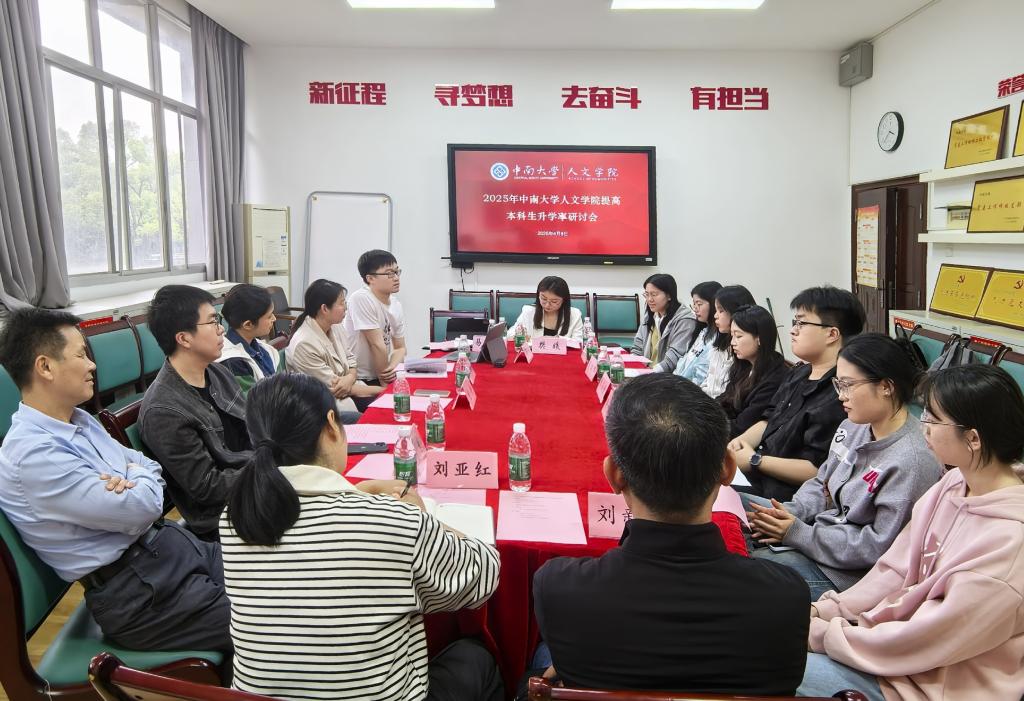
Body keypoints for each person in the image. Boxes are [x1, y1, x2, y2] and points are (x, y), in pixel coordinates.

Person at [220, 372, 502, 700]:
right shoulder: (391, 521)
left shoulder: (237, 517)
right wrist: (421, 517)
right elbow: (484, 575)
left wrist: (355, 494)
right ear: (331, 424)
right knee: (475, 658)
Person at [531, 373, 809, 696]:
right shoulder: (787, 597)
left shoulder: (558, 587)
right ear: (727, 469)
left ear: (614, 476)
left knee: (545, 655)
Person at [0, 308, 230, 651]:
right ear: (45, 367)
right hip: (140, 594)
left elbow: (147, 467)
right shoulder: (33, 456)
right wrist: (135, 475)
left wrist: (133, 474)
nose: (92, 365)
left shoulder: (78, 420)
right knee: (286, 617)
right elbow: (143, 507)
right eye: (81, 355)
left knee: (285, 573)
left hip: (169, 550)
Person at [798, 364, 1024, 701]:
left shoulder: (1009, 545)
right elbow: (895, 569)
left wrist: (822, 634)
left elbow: (928, 638)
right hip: (890, 649)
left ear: (973, 439)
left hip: (929, 684)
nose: (923, 428)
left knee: (772, 665)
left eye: (933, 419)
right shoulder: (954, 482)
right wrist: (827, 611)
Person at [744, 333, 942, 601]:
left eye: (848, 385)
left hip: (846, 575)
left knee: (745, 571)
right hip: (817, 537)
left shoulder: (913, 460)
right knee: (735, 507)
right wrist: (790, 513)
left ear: (886, 386)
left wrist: (797, 533)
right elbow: (821, 482)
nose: (840, 396)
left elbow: (878, 547)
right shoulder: (853, 426)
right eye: (838, 384)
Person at [729, 286, 865, 502]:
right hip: (754, 474)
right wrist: (737, 444)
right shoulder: (799, 373)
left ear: (832, 334)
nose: (793, 330)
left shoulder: (840, 392)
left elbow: (818, 469)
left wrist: (755, 460)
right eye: (795, 322)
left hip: (784, 498)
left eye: (801, 323)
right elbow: (770, 418)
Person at [139, 285, 252, 541]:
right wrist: (270, 467)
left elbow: (250, 428)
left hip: (254, 484)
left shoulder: (217, 371)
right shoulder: (163, 411)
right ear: (184, 339)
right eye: (213, 321)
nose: (221, 329)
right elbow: (208, 487)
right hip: (226, 517)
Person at [287, 278, 383, 418]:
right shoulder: (304, 343)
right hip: (323, 403)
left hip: (349, 389)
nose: (346, 307)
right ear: (324, 309)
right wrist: (381, 390)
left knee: (384, 405)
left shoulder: (335, 325)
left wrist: (350, 377)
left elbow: (351, 359)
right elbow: (335, 388)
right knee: (378, 410)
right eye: (342, 303)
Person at [719, 304, 788, 437]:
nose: (732, 342)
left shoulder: (774, 379)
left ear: (760, 338)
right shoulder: (744, 366)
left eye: (738, 336)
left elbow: (742, 426)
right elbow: (725, 399)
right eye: (732, 336)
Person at [343, 249, 407, 385]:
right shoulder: (361, 298)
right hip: (359, 378)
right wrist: (386, 384)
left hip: (381, 374)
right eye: (389, 273)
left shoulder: (396, 304)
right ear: (370, 278)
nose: (396, 278)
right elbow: (376, 345)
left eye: (397, 272)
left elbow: (400, 348)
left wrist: (391, 369)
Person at [216, 283, 280, 393]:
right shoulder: (233, 361)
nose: (274, 319)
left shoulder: (264, 349)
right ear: (248, 325)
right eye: (269, 316)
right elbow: (252, 401)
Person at [629, 273, 696, 372]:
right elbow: (637, 347)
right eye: (647, 294)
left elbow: (674, 358)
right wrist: (634, 367)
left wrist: (650, 374)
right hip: (646, 372)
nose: (649, 299)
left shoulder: (685, 321)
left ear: (669, 296)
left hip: (665, 376)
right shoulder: (650, 314)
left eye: (654, 294)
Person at [699, 285, 756, 398]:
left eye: (720, 311)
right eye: (715, 310)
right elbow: (708, 381)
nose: (715, 316)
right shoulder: (719, 345)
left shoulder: (744, 353)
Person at [506, 276, 584, 342]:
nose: (547, 305)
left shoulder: (575, 315)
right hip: (534, 355)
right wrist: (519, 336)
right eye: (543, 299)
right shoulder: (529, 311)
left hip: (563, 355)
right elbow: (510, 334)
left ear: (564, 300)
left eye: (554, 301)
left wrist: (560, 341)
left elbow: (579, 342)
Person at [674, 280, 722, 385]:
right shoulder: (703, 332)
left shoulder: (718, 337)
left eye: (699, 304)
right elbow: (684, 363)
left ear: (714, 305)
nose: (695, 309)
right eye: (694, 304)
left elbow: (702, 376)